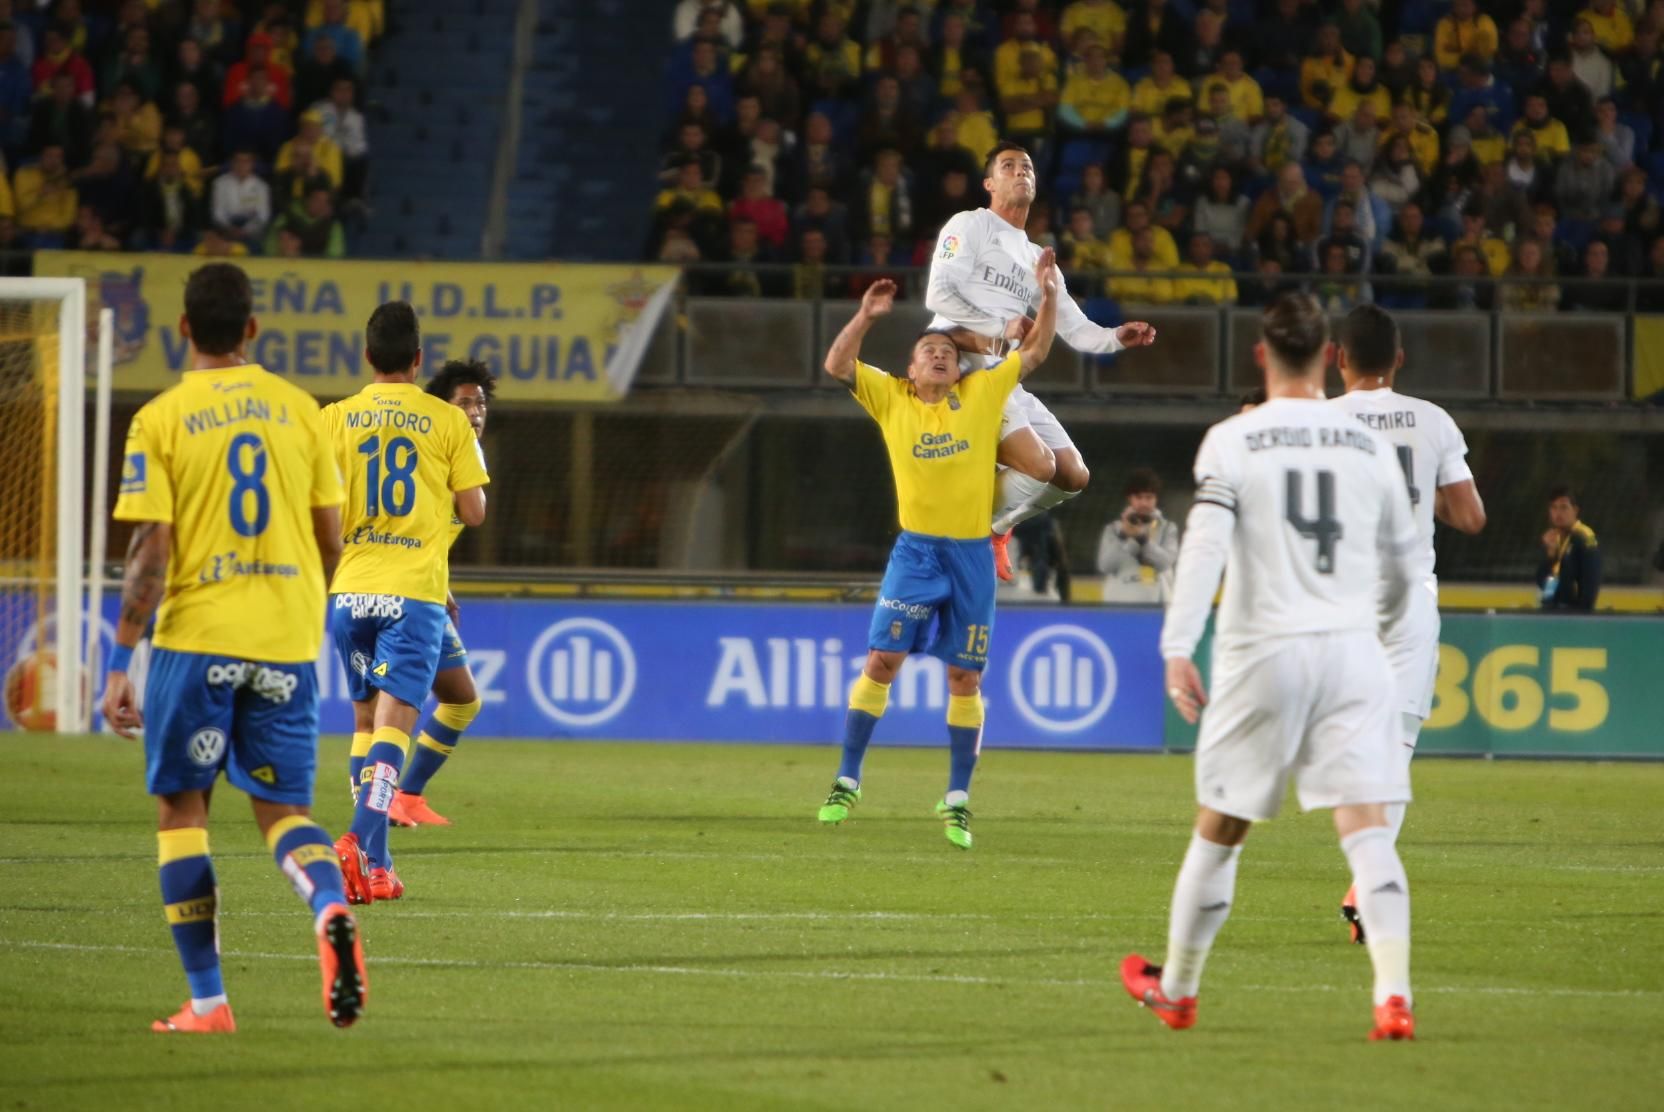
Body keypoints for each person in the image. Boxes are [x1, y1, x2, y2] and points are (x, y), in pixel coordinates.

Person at [1121, 293, 1420, 1042]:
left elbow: (1203, 551)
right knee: (1369, 831)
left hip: (1263, 655)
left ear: (1262, 355)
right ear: (1328, 356)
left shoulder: (1232, 440)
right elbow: (1400, 567)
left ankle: (1180, 991)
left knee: (1221, 828)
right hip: (1353, 653)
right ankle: (1393, 996)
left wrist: (1176, 648)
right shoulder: (1368, 446)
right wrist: (1373, 635)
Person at [100, 262, 367, 1033]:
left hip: (196, 635)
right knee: (283, 809)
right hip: (284, 637)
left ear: (182, 329)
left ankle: (210, 1002)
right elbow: (329, 539)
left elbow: (153, 548)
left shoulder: (160, 418)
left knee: (183, 808)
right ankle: (327, 905)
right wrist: (305, 615)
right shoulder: (302, 413)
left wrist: (122, 660)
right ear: (254, 329)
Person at [816, 258, 1059, 851]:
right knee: (882, 662)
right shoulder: (891, 398)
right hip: (916, 555)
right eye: (928, 350)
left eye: (946, 352)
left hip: (972, 555)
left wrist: (1048, 295)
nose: (939, 355)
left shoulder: (980, 393)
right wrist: (867, 316)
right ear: (910, 367)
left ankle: (957, 800)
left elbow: (1032, 356)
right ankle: (846, 780)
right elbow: (837, 365)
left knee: (964, 674)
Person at [925, 141, 1158, 583]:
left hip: (1004, 378)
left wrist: (1115, 337)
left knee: (1073, 474)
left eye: (1027, 166)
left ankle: (994, 530)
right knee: (1040, 466)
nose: (1020, 172)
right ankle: (957, 525)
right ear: (990, 183)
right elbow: (937, 295)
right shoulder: (971, 225)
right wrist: (1000, 324)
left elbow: (1077, 329)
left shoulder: (1038, 259)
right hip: (962, 369)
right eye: (1008, 166)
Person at [323, 303, 491, 902]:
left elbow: (315, 507)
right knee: (397, 721)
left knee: (365, 721)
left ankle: (378, 865)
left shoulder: (334, 419)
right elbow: (473, 512)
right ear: (419, 360)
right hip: (410, 594)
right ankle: (357, 840)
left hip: (349, 588)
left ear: (367, 357)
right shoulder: (445, 421)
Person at [1331, 305, 1486, 939]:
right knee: (1393, 749)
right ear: (1398, 359)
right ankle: (1369, 882)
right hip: (1409, 597)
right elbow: (1471, 516)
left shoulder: (1317, 421)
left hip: (1337, 599)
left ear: (1338, 358)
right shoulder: (1434, 421)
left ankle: (1366, 884)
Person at [387, 359, 497, 828]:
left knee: (461, 698)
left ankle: (407, 796)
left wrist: (442, 579)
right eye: (465, 402)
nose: (475, 411)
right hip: (393, 589)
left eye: (481, 402)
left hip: (425, 586)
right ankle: (378, 806)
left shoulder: (466, 452)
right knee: (386, 699)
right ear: (443, 409)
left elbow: (427, 529)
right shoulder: (436, 449)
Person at [1096, 467, 1180, 604]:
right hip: (1120, 604)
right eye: (1139, 497)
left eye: (1149, 497)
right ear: (1130, 498)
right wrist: (1123, 535)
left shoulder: (1167, 528)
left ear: (1156, 499)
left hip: (1157, 606)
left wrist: (1143, 540)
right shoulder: (1113, 529)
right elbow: (1106, 566)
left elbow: (1165, 563)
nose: (1144, 503)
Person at [1538, 486, 1601, 610]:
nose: (1558, 513)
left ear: (1575, 510)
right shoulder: (1552, 538)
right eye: (1554, 507)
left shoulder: (1585, 538)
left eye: (1564, 507)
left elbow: (1590, 584)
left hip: (1573, 612)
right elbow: (1542, 582)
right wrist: (1551, 555)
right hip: (1552, 607)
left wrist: (1580, 614)